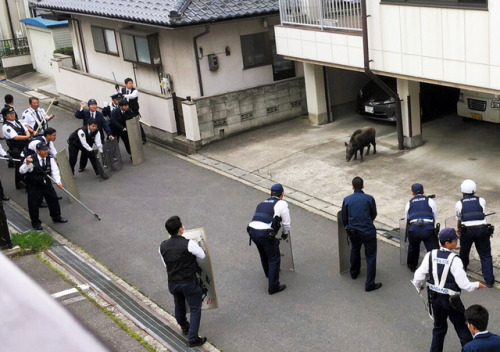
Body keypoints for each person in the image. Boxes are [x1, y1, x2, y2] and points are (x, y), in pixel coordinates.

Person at [412, 228, 486, 352]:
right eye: (454, 240)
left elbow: (418, 276)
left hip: (435, 298)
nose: (457, 242)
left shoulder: (431, 254)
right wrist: (476, 285)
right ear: (447, 243)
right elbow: (464, 285)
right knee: (462, 327)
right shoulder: (455, 260)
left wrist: (419, 286)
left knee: (439, 328)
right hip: (452, 300)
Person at [159, 216, 207, 348]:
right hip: (189, 282)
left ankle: (185, 327)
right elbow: (202, 255)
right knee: (195, 308)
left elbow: (166, 264)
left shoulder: (162, 246)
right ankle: (193, 338)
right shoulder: (189, 243)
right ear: (181, 229)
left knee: (179, 304)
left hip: (173, 283)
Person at [247, 183, 290, 295]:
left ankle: (269, 274)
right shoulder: (282, 203)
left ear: (271, 193)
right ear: (282, 194)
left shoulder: (262, 203)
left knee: (263, 253)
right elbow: (286, 223)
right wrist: (285, 234)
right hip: (265, 233)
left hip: (252, 231)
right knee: (274, 258)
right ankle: (273, 286)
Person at [341, 176, 381, 292]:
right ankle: (369, 284)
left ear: (352, 187)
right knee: (371, 256)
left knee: (355, 249)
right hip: (368, 230)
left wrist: (348, 227)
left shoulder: (347, 199)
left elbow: (344, 218)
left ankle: (354, 272)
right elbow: (374, 214)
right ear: (363, 186)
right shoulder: (369, 198)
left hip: (354, 231)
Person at [19, 142, 68, 230]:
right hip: (34, 185)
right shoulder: (30, 159)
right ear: (38, 151)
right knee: (33, 204)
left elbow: (54, 171)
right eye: (43, 150)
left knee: (53, 200)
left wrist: (58, 182)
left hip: (46, 183)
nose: (46, 151)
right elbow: (21, 171)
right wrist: (26, 163)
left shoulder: (50, 158)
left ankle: (56, 216)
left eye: (46, 149)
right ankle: (35, 222)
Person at [455, 179, 494, 288]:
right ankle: (489, 281)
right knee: (485, 255)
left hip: (467, 231)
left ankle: (463, 270)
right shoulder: (481, 200)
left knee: (464, 251)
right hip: (482, 230)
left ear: (462, 190)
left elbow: (459, 218)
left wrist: (458, 228)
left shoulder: (459, 203)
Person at [404, 183, 439, 272]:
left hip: (414, 228)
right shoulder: (430, 201)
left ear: (412, 193)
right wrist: (432, 227)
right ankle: (435, 267)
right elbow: (434, 215)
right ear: (423, 191)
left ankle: (412, 266)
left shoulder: (409, 203)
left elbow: (407, 218)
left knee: (413, 247)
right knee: (433, 250)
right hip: (428, 228)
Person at [74, 99, 113, 172]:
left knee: (102, 148)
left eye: (95, 105)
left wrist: (109, 134)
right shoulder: (85, 112)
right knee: (85, 150)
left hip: (98, 133)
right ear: (89, 106)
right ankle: (82, 166)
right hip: (88, 135)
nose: (94, 106)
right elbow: (77, 115)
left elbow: (105, 125)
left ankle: (104, 163)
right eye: (92, 105)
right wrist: (81, 108)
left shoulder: (99, 114)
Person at [2, 106, 31, 189]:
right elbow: (15, 137)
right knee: (20, 165)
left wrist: (27, 134)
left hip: (24, 146)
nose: (12, 115)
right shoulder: (6, 126)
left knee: (25, 164)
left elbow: (25, 129)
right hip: (16, 149)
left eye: (13, 113)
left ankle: (23, 181)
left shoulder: (18, 122)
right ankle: (19, 183)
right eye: (10, 114)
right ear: (5, 116)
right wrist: (27, 136)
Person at [118, 78, 146, 143]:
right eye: (129, 83)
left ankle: (143, 138)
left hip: (134, 110)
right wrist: (118, 91)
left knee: (137, 123)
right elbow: (118, 95)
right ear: (126, 84)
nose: (131, 85)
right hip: (126, 110)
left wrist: (124, 95)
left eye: (131, 83)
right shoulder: (122, 90)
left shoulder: (135, 91)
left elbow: (132, 96)